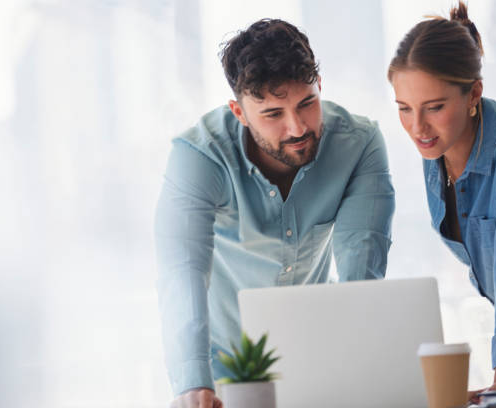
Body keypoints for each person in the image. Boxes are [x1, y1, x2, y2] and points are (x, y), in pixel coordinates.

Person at [156, 18, 395, 407]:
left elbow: (361, 266)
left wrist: (366, 373)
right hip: (223, 372)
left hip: (320, 360)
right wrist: (191, 382)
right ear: (239, 112)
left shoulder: (359, 144)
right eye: (272, 114)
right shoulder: (198, 156)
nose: (297, 127)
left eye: (307, 103)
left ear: (321, 86)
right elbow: (182, 272)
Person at [388, 2, 496, 403]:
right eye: (404, 109)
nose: (417, 128)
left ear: (474, 93)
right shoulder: (438, 157)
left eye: (434, 108)